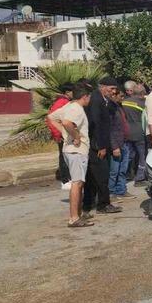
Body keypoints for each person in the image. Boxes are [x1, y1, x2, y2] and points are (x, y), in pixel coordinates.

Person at [47, 84, 93, 227]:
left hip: (70, 150)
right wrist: (75, 136)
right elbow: (67, 122)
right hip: (76, 150)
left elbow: (51, 117)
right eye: (89, 97)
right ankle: (74, 217)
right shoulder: (76, 109)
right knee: (77, 183)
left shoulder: (69, 106)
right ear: (85, 97)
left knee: (79, 183)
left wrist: (64, 133)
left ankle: (77, 214)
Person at [83, 77, 123, 215]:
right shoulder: (96, 99)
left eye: (115, 89)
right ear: (102, 87)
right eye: (111, 89)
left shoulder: (104, 100)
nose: (113, 92)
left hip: (100, 144)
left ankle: (89, 205)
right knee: (101, 176)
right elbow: (95, 124)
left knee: (95, 176)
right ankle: (103, 204)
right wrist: (100, 146)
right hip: (97, 145)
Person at [47, 82, 74, 190]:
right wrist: (58, 134)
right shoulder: (62, 103)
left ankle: (68, 178)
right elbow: (51, 119)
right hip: (62, 135)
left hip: (65, 134)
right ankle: (65, 180)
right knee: (64, 157)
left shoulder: (66, 102)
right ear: (67, 92)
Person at [108, 90, 133, 200]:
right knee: (114, 170)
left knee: (123, 169)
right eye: (121, 96)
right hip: (117, 143)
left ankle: (121, 190)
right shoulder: (110, 109)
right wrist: (114, 146)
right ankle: (111, 192)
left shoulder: (119, 107)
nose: (123, 98)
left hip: (124, 142)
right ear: (114, 95)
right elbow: (111, 129)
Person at [122, 83, 148, 184]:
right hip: (139, 132)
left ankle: (126, 174)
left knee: (128, 155)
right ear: (142, 93)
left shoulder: (124, 102)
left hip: (127, 132)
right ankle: (140, 178)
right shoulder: (143, 103)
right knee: (142, 156)